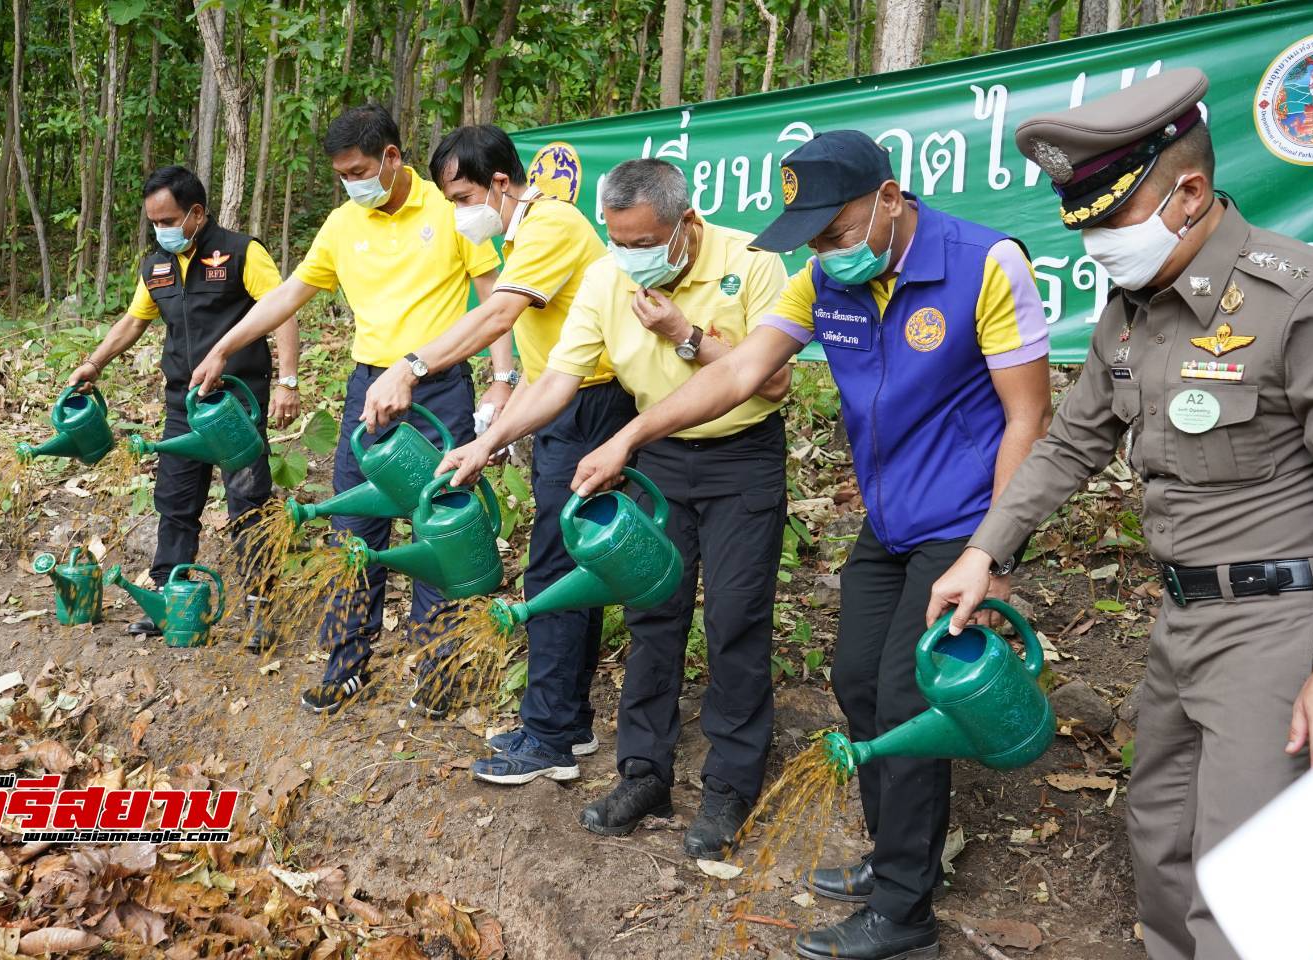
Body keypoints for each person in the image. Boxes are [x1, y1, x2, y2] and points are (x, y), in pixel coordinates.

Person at [926, 68, 1313, 960]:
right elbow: (1068, 444)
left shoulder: (1305, 302)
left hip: (1285, 632)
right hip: (1181, 623)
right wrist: (987, 550)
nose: (1094, 244)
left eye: (1108, 222)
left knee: (1249, 888)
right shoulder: (1131, 314)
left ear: (1191, 194)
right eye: (1082, 225)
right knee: (1162, 845)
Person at [572, 130, 1054, 960]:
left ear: (893, 198)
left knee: (906, 696)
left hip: (964, 523)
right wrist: (634, 435)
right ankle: (897, 853)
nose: (827, 252)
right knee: (857, 678)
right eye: (815, 238)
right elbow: (736, 373)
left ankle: (905, 914)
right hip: (890, 519)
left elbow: (1027, 417)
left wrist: (993, 552)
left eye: (836, 232)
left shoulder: (985, 263)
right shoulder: (823, 278)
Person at [441, 157, 791, 859]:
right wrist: (490, 440)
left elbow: (773, 378)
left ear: (685, 224)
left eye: (640, 241)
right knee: (652, 611)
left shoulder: (750, 261)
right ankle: (643, 773)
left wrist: (683, 332)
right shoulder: (607, 278)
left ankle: (728, 785)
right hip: (658, 459)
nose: (628, 255)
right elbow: (558, 380)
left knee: (733, 616)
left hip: (740, 457)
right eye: (617, 238)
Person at [191, 104, 506, 716]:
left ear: (392, 157)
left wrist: (503, 380)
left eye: (360, 170)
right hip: (368, 393)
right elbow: (289, 293)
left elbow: (494, 299)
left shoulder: (451, 210)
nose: (352, 184)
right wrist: (226, 346)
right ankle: (346, 665)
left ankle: (438, 670)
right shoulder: (342, 224)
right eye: (342, 175)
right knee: (353, 532)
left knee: (437, 527)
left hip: (438, 389)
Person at [360, 125, 635, 784]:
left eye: (461, 197)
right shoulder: (523, 233)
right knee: (571, 563)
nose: (458, 213)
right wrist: (493, 437)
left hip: (591, 408)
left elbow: (496, 317)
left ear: (501, 185)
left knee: (553, 569)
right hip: (568, 404)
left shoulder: (551, 225)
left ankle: (546, 738)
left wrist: (412, 366)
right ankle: (564, 722)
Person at [68, 165, 299, 642]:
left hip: (236, 404)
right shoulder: (156, 265)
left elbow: (282, 313)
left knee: (248, 505)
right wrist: (95, 363)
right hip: (183, 406)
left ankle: (259, 609)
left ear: (195, 213)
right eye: (153, 222)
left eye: (168, 220)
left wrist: (288, 382)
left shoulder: (241, 252)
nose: (161, 231)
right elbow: (134, 322)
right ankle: (169, 598)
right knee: (174, 503)